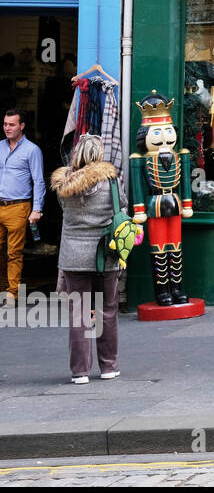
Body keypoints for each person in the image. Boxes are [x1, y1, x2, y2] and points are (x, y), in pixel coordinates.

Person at [51, 135, 121, 383]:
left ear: (76, 153)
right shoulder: (110, 181)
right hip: (105, 254)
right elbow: (120, 207)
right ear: (98, 154)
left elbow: (64, 210)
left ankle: (80, 372)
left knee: (79, 315)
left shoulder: (63, 184)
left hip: (73, 256)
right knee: (107, 312)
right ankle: (108, 367)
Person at [0, 108, 45, 307]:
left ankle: (12, 292)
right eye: (5, 124)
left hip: (18, 207)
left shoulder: (32, 150)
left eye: (11, 124)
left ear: (22, 126)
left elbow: (39, 181)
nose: (7, 128)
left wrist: (37, 209)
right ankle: (3, 287)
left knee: (14, 252)